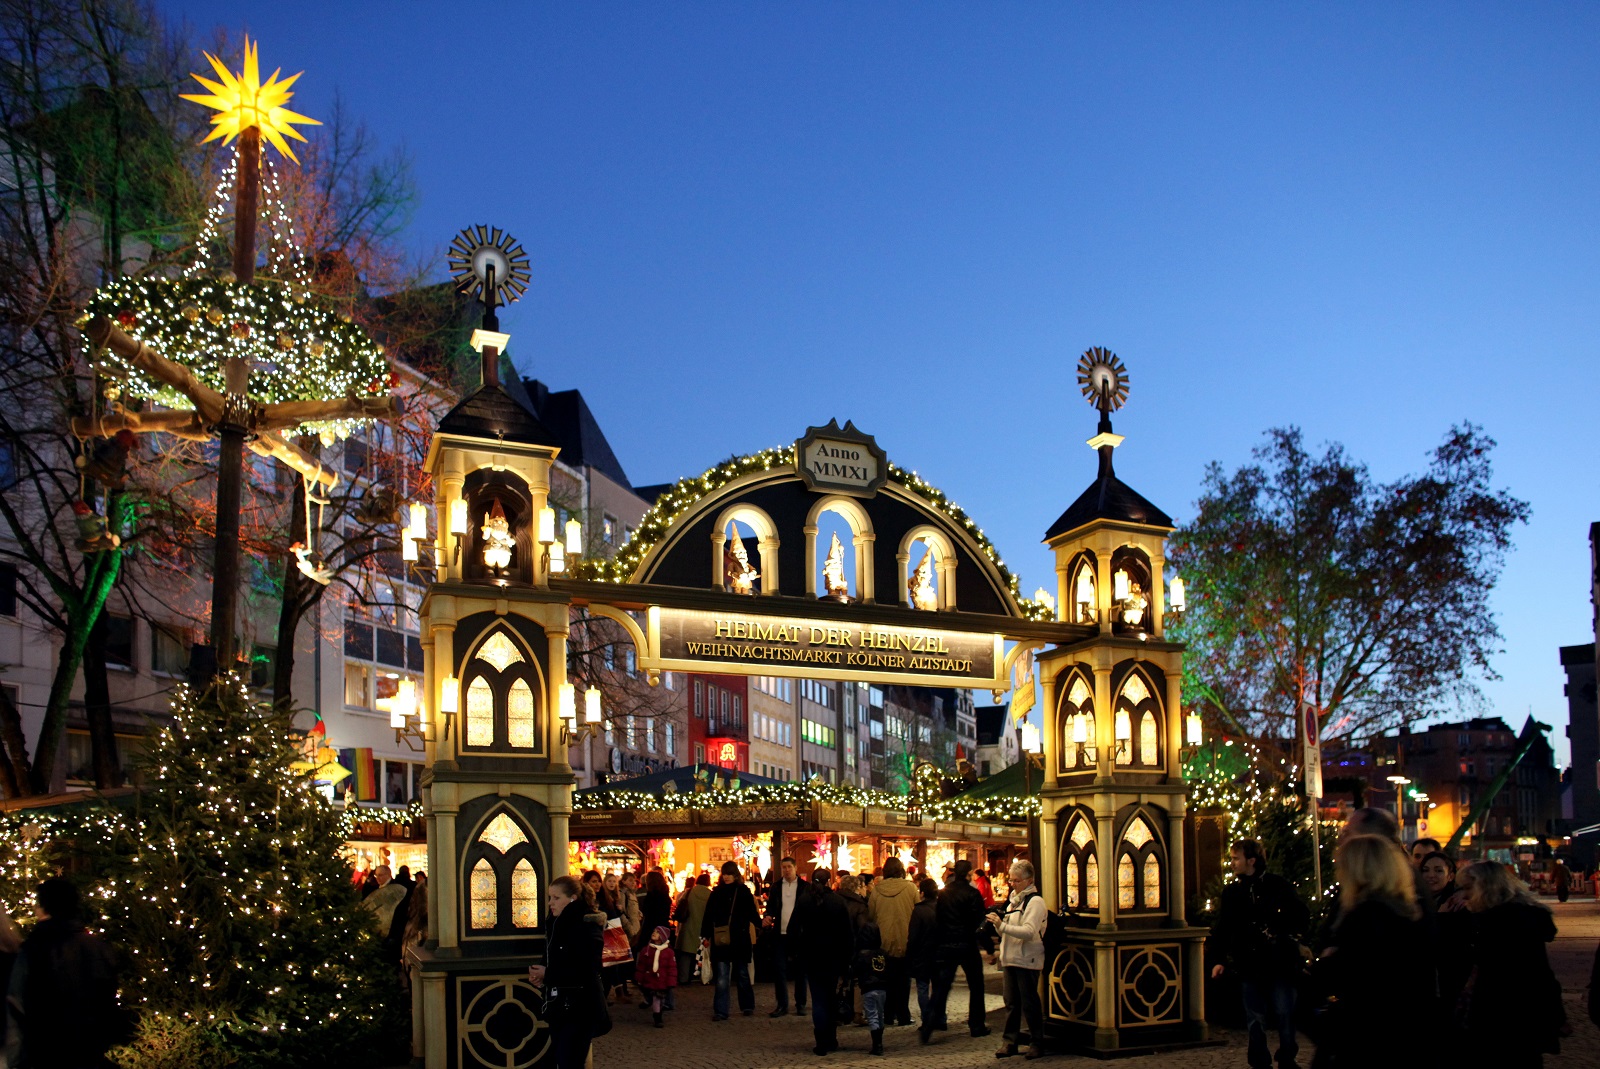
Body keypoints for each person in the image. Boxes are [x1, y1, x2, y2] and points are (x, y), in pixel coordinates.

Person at [1310, 835, 1427, 1069]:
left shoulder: (1366, 914)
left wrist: (1324, 964)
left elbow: (1355, 970)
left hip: (1367, 1029)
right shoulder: (1406, 910)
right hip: (1402, 1027)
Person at [1455, 861, 1566, 1068]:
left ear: (1486, 887)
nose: (1464, 895)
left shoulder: (1509, 924)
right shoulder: (1494, 921)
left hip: (1508, 1022)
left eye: (1468, 888)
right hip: (1505, 1021)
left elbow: (1538, 974)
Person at [1209, 840, 1309, 1069]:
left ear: (1251, 861)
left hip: (1278, 961)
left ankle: (1287, 1057)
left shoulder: (1277, 885)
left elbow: (1300, 915)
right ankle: (1259, 1059)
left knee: (1285, 1012)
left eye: (1236, 858)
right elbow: (1224, 927)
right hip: (1250, 962)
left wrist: (1282, 929)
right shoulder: (1232, 892)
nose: (1232, 863)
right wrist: (1219, 960)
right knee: (1255, 1016)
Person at [6, 879, 123, 1069]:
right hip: (89, 1052)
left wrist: (17, 1061)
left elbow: (16, 1007)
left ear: (44, 908)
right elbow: (107, 999)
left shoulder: (34, 950)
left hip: (47, 1054)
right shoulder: (98, 947)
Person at [528, 875, 609, 1069]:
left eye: (556, 898)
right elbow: (553, 958)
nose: (550, 903)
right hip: (560, 1006)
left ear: (572, 898)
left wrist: (548, 974)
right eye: (550, 898)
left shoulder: (586, 926)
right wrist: (541, 973)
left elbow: (585, 969)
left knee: (569, 1061)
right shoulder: (556, 924)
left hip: (580, 1007)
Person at [920, 859, 991, 1044]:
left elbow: (939, 919)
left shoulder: (944, 894)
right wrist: (989, 947)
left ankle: (928, 1025)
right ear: (968, 874)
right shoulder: (972, 894)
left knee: (942, 986)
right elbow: (979, 922)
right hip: (967, 945)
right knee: (976, 986)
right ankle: (977, 1025)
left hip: (947, 944)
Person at [988, 859, 1047, 1060]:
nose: (1012, 884)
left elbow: (1029, 931)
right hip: (1010, 959)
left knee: (1029, 1002)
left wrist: (1002, 926)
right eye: (1011, 880)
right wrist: (997, 925)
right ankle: (1010, 1042)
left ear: (1029, 880)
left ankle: (1036, 1043)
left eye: (1016, 881)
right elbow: (1007, 930)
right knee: (1011, 1002)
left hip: (1027, 959)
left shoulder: (1035, 902)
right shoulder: (1014, 900)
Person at [802, 868, 854, 1055]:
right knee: (831, 997)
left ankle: (821, 1041)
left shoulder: (805, 901)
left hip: (812, 957)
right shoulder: (837, 902)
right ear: (829, 881)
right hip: (833, 957)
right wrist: (847, 959)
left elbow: (793, 928)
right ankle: (831, 1039)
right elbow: (847, 933)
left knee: (818, 1000)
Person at [701, 860, 759, 1021]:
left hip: (738, 939)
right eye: (724, 874)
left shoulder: (742, 892)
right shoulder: (717, 893)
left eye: (729, 874)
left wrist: (761, 923)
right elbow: (708, 915)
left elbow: (751, 913)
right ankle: (721, 1010)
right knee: (722, 976)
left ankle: (746, 1006)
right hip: (724, 939)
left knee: (741, 974)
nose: (726, 877)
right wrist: (705, 935)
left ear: (735, 875)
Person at [867, 856, 918, 1027]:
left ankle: (888, 1015)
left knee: (886, 980)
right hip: (905, 939)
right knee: (904, 980)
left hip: (884, 941)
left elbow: (871, 916)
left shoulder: (876, 890)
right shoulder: (911, 888)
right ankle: (903, 1015)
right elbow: (917, 912)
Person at [764, 856, 811, 1017]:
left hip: (799, 934)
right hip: (780, 933)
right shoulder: (776, 887)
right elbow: (771, 907)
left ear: (795, 868)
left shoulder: (805, 887)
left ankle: (801, 1003)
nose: (786, 870)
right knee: (779, 970)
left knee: (800, 971)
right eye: (784, 867)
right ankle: (782, 1004)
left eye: (789, 867)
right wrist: (768, 915)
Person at [906, 878, 941, 1029]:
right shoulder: (942, 908)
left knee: (922, 987)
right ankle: (941, 1019)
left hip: (922, 955)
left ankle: (927, 1019)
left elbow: (913, 936)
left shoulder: (919, 910)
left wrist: (910, 955)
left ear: (922, 893)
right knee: (939, 987)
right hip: (939, 954)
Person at [853, 921, 891, 1056]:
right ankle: (880, 1040)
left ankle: (877, 1045)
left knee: (872, 1015)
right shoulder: (883, 953)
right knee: (880, 1014)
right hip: (882, 988)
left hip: (868, 987)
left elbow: (857, 970)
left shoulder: (862, 954)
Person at [634, 925, 679, 1028]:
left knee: (658, 999)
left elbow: (672, 968)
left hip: (661, 981)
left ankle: (657, 1017)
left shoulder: (668, 952)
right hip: (649, 978)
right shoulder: (647, 950)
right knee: (649, 994)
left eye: (657, 932)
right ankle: (649, 1002)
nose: (654, 933)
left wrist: (671, 982)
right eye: (654, 931)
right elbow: (641, 965)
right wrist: (639, 977)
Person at [674, 872, 712, 986]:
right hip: (704, 927)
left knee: (686, 954)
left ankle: (684, 978)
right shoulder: (710, 894)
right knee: (703, 954)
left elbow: (679, 903)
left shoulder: (690, 892)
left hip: (688, 926)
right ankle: (703, 976)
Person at [362, 864, 408, 933]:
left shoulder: (394, 889)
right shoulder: (374, 888)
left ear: (388, 875)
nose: (377, 878)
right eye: (376, 875)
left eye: (380, 875)